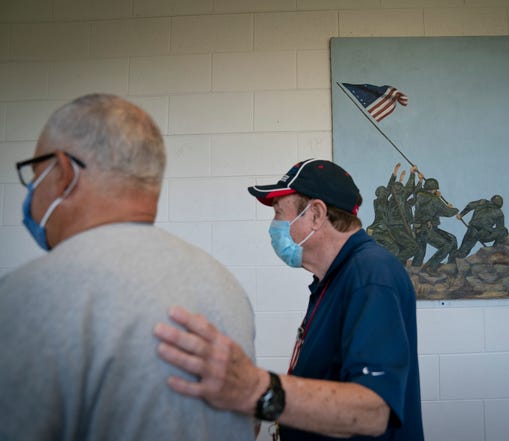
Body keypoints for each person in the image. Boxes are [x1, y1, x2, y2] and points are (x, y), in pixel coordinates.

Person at [0, 94, 256, 441]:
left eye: (35, 175)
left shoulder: (25, 296)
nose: (32, 191)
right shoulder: (224, 285)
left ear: (63, 173)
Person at [154, 158, 425, 441]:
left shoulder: (371, 276)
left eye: (279, 213)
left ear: (317, 215)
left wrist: (257, 390)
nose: (274, 227)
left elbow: (374, 411)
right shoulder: (334, 279)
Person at [411, 177, 459, 273]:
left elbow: (417, 191)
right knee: (446, 245)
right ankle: (430, 267)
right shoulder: (434, 200)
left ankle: (414, 271)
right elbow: (448, 213)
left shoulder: (419, 195)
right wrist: (454, 209)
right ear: (434, 189)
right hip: (426, 229)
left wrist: (435, 195)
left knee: (420, 252)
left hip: (418, 229)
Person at [451, 194, 509, 260]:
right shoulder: (499, 212)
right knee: (504, 231)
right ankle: (495, 252)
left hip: (477, 231)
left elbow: (470, 206)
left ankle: (452, 261)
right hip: (481, 233)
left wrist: (461, 214)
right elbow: (500, 228)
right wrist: (461, 214)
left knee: (464, 249)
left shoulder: (483, 202)